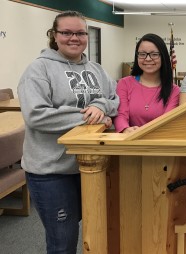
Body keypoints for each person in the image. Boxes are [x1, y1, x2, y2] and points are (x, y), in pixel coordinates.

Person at [17, 11, 119, 254]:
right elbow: (36, 114)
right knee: (63, 242)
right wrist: (91, 116)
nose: (74, 38)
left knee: (95, 230)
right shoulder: (38, 70)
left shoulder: (96, 69)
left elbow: (114, 99)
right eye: (66, 32)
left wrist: (100, 106)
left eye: (80, 33)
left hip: (89, 165)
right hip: (52, 172)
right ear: (54, 35)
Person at [114, 33, 180, 133]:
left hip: (160, 143)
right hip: (130, 141)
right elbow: (121, 114)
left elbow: (167, 122)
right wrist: (125, 129)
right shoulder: (124, 84)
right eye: (142, 54)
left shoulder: (174, 90)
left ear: (163, 57)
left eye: (154, 54)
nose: (148, 59)